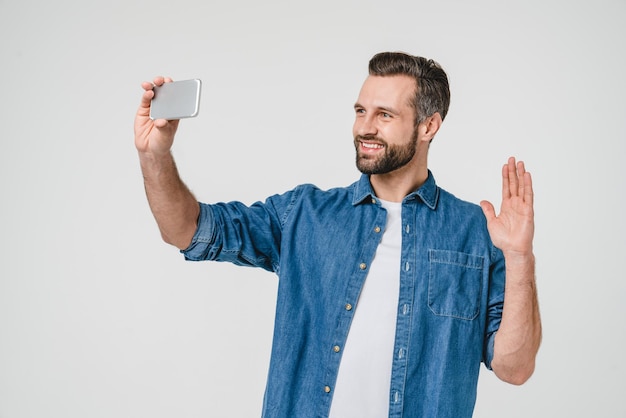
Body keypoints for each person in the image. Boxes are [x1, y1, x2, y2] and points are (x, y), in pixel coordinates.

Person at [134, 51, 541, 418]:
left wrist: (520, 257)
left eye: (384, 115)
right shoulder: (304, 215)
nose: (365, 127)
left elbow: (515, 367)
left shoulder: (475, 232)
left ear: (428, 126)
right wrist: (155, 155)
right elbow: (188, 231)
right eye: (361, 111)